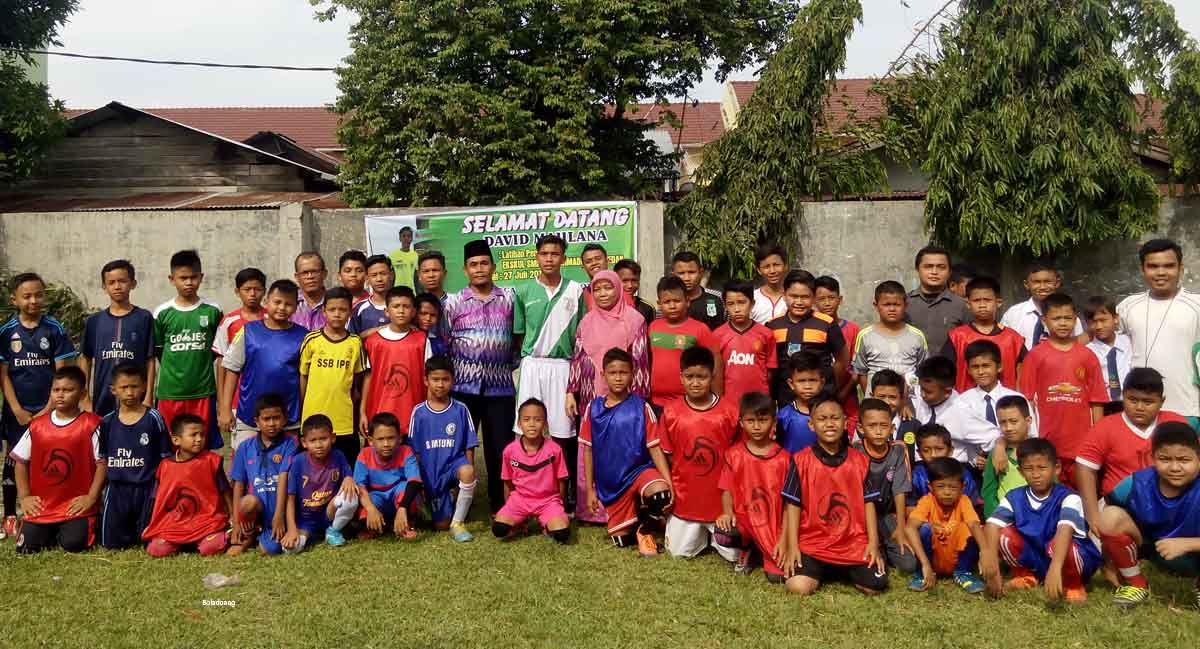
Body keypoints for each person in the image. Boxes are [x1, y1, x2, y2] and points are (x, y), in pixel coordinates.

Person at [780, 397, 887, 596]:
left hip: (852, 542)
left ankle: (844, 569)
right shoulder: (800, 460)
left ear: (846, 423)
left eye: (835, 418)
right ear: (811, 425)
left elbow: (869, 503)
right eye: (822, 419)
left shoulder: (860, 461)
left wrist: (873, 543)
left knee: (875, 586)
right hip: (814, 542)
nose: (829, 423)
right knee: (798, 587)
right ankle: (823, 569)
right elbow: (792, 505)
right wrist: (792, 546)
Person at [1, 272, 78, 536]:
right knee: (14, 458)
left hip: (49, 409)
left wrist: (49, 408)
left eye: (38, 295)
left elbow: (61, 374)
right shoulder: (7, 332)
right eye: (27, 296)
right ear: (15, 299)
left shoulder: (53, 329)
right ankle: (10, 514)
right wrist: (16, 410)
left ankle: (46, 505)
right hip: (17, 413)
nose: (33, 300)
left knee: (49, 457)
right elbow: (3, 375)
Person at [443, 239, 516, 513]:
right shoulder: (453, 303)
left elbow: (517, 336)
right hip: (463, 388)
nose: (479, 269)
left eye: (484, 263)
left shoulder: (508, 298)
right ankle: (459, 502)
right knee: (460, 448)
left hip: (500, 388)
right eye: (473, 264)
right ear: (465, 270)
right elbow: (445, 340)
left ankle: (500, 503)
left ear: (493, 267)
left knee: (500, 448)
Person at [981, 438, 1103, 603]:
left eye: (1042, 468)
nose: (1036, 474)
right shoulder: (1014, 497)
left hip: (1064, 555)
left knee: (1065, 545)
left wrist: (1055, 567)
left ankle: (1073, 584)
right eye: (1029, 469)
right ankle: (1025, 575)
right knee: (1003, 534)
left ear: (1056, 469)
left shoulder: (1069, 497)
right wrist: (991, 560)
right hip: (1036, 555)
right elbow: (992, 525)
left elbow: (1064, 531)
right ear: (1020, 472)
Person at [513, 234, 585, 503]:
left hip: (562, 366)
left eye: (555, 254)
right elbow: (519, 334)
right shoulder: (522, 291)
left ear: (564, 258)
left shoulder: (576, 290)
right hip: (533, 364)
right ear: (537, 256)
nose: (549, 259)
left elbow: (581, 336)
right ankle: (525, 489)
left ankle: (562, 493)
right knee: (526, 427)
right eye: (544, 254)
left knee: (562, 431)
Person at [580, 348, 673, 557]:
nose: (618, 377)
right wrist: (590, 490)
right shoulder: (592, 409)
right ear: (603, 375)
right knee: (622, 541)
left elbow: (655, 447)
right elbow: (588, 451)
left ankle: (645, 529)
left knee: (661, 493)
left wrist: (669, 482)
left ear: (633, 374)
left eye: (623, 372)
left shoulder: (641, 407)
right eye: (613, 373)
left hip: (639, 472)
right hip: (611, 484)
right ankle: (640, 516)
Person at [652, 347, 739, 561]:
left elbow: (738, 458)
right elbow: (668, 454)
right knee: (677, 554)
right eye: (690, 377)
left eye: (702, 377)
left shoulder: (729, 411)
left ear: (712, 376)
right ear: (681, 377)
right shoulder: (671, 412)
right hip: (686, 502)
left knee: (734, 553)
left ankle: (716, 535)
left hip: (720, 504)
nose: (695, 382)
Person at [1099, 423, 1200, 608]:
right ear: (1152, 458)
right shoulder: (1137, 483)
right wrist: (1108, 561)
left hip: (1194, 555)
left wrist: (1187, 543)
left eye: (1184, 460)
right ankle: (1136, 584)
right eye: (1165, 459)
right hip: (1155, 550)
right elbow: (1102, 516)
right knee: (1109, 516)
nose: (1175, 467)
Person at [1075, 368, 1187, 533]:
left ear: (1162, 401)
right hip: (1121, 506)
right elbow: (1085, 469)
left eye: (1148, 402)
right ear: (1123, 396)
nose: (1139, 407)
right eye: (1132, 400)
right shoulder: (1105, 427)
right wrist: (1093, 516)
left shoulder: (1176, 423)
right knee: (1106, 525)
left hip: (1171, 504)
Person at [11, 367, 103, 553]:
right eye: (56, 390)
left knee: (74, 545)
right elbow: (20, 462)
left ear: (82, 393)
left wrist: (91, 497)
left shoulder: (93, 424)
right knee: (27, 548)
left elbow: (103, 464)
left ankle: (72, 528)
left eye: (68, 390)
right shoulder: (37, 425)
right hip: (44, 506)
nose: (61, 395)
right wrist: (25, 497)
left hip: (75, 506)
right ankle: (45, 530)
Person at [1019, 293, 1107, 487]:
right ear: (1044, 320)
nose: (1063, 323)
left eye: (1067, 318)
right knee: (1050, 495)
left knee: (1082, 497)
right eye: (1056, 318)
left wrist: (1097, 439)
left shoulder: (1087, 356)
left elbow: (1097, 400)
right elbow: (1027, 401)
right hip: (1047, 444)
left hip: (1081, 446)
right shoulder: (1035, 356)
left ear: (1075, 319)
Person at [1118, 239, 1200, 429]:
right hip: (1138, 411)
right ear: (1143, 269)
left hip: (1187, 409)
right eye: (1153, 266)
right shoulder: (1127, 306)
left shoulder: (1197, 305)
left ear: (1181, 268)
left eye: (1169, 266)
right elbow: (1097, 336)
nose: (1161, 273)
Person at [219, 279, 306, 447]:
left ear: (296, 307)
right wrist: (225, 408)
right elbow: (232, 368)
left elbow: (305, 378)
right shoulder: (249, 331)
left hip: (289, 417)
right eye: (277, 302)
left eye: (288, 304)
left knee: (285, 467)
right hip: (249, 414)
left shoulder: (304, 336)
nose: (282, 307)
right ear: (266, 302)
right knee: (245, 464)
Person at [716, 391, 792, 581]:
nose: (756, 427)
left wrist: (785, 536)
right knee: (725, 534)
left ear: (773, 423)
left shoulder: (784, 459)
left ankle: (762, 550)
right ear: (741, 423)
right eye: (750, 421)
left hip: (773, 522)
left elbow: (790, 502)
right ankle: (747, 548)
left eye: (763, 420)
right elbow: (726, 488)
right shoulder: (733, 455)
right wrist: (727, 513)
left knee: (777, 578)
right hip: (745, 517)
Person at [154, 250, 224, 451]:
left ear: (201, 277)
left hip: (202, 392)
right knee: (169, 446)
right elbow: (160, 352)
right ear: (172, 279)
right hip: (170, 392)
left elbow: (216, 351)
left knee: (200, 444)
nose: (188, 282)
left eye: (193, 277)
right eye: (183, 278)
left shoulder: (213, 311)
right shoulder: (161, 313)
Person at [98, 362, 169, 550]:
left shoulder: (154, 418)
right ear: (114, 390)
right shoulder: (107, 422)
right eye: (124, 387)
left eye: (134, 386)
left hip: (146, 489)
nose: (130, 392)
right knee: (110, 544)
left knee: (147, 541)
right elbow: (103, 458)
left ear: (144, 387)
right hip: (117, 490)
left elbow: (165, 458)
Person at [407, 355, 478, 543]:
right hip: (431, 473)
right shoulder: (419, 412)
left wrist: (471, 477)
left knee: (468, 472)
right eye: (435, 379)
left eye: (445, 379)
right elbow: (414, 452)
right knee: (439, 526)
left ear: (452, 381)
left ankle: (458, 522)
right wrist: (418, 481)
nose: (440, 384)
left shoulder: (461, 409)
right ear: (426, 380)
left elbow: (469, 445)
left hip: (454, 466)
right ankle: (442, 502)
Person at [140, 414, 231, 557]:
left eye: (202, 434)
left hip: (206, 522)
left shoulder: (211, 461)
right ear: (176, 440)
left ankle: (211, 539)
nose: (199, 439)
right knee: (157, 550)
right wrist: (149, 524)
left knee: (211, 547)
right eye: (193, 435)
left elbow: (225, 491)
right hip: (174, 524)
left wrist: (233, 519)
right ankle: (181, 543)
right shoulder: (165, 466)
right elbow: (155, 498)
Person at [299, 287, 368, 464]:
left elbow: (360, 380)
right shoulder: (311, 340)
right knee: (313, 468)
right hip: (313, 416)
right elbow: (303, 377)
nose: (337, 314)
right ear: (324, 311)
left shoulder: (355, 343)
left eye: (342, 309)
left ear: (350, 312)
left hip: (343, 421)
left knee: (345, 468)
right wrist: (302, 409)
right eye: (332, 309)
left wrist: (359, 411)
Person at [80, 260, 155, 417]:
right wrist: (85, 397)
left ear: (133, 283)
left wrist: (148, 395)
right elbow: (85, 358)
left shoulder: (144, 318)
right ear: (104, 286)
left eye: (122, 281)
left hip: (135, 398)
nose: (117, 286)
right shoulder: (94, 321)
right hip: (102, 398)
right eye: (111, 282)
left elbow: (150, 360)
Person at [227, 394, 298, 556]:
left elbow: (284, 479)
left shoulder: (291, 444)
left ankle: (264, 536)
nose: (272, 424)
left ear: (285, 419)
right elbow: (238, 484)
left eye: (276, 418)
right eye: (266, 419)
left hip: (278, 510)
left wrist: (279, 516)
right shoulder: (245, 447)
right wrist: (237, 522)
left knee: (270, 550)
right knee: (248, 502)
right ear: (257, 421)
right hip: (256, 507)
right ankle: (247, 535)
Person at [904, 457, 987, 593]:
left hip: (956, 556)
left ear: (962, 487)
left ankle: (963, 572)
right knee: (923, 529)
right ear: (930, 487)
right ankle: (921, 573)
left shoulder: (964, 501)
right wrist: (925, 564)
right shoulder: (927, 501)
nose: (947, 492)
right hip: (933, 559)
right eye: (940, 486)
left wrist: (985, 552)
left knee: (973, 528)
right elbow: (910, 527)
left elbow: (973, 524)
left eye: (953, 487)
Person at [493, 398, 571, 544]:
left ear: (545, 424)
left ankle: (547, 526)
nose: (532, 424)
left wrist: (560, 505)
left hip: (548, 501)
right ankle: (520, 523)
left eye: (538, 419)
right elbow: (507, 482)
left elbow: (561, 480)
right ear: (519, 423)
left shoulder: (555, 449)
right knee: (499, 528)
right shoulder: (510, 451)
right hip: (520, 500)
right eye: (527, 419)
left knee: (562, 534)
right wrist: (508, 505)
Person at [854, 398, 917, 574]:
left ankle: (887, 547)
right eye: (872, 426)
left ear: (892, 428)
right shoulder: (855, 452)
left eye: (884, 425)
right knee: (869, 562)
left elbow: (899, 490)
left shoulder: (898, 450)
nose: (879, 431)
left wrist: (901, 527)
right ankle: (878, 547)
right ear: (861, 428)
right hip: (861, 517)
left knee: (909, 565)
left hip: (885, 514)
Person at [767, 270, 847, 405]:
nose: (799, 302)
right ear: (784, 296)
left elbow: (842, 360)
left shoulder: (826, 323)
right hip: (786, 398)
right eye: (794, 296)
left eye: (805, 297)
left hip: (821, 398)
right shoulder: (773, 325)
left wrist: (830, 388)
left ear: (814, 298)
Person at [360, 286, 433, 435]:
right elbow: (368, 377)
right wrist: (362, 411)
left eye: (406, 306)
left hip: (413, 416)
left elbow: (429, 379)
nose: (401, 311)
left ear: (413, 312)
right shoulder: (373, 341)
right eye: (396, 306)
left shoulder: (422, 340)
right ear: (387, 311)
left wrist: (430, 412)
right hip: (379, 415)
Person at [281, 414, 359, 552]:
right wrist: (292, 529)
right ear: (304, 442)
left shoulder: (338, 456)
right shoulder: (298, 462)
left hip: (328, 513)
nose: (319, 445)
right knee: (290, 549)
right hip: (305, 519)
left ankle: (333, 530)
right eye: (313, 440)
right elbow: (290, 499)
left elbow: (348, 476)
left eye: (323, 439)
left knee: (350, 496)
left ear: (333, 438)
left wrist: (348, 478)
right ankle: (309, 535)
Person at [647, 276, 722, 407]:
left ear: (687, 301)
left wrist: (717, 402)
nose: (672, 306)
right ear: (659, 304)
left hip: (689, 403)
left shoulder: (700, 329)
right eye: (667, 302)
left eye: (677, 301)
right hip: (656, 402)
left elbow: (716, 364)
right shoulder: (652, 327)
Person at [943, 276, 1026, 393]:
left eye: (987, 300)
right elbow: (944, 372)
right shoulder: (957, 336)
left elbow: (1024, 375)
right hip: (965, 404)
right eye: (977, 300)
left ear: (998, 302)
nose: (982, 305)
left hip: (1005, 405)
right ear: (968, 303)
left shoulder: (1013, 339)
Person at [957, 340, 1027, 471]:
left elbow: (1030, 434)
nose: (981, 371)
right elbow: (962, 439)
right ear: (968, 370)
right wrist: (974, 459)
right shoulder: (962, 402)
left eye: (986, 365)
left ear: (999, 367)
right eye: (975, 367)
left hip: (1016, 465)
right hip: (977, 469)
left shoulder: (1016, 399)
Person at [355, 412, 423, 540]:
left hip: (398, 497)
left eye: (391, 438)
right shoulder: (364, 455)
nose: (386, 444)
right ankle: (374, 526)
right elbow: (360, 487)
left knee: (405, 488)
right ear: (370, 441)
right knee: (366, 504)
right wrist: (370, 509)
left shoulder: (406, 451)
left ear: (400, 438)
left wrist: (403, 508)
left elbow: (415, 482)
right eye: (380, 439)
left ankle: (407, 525)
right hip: (377, 496)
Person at [852, 280, 928, 394]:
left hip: (909, 403)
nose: (892, 309)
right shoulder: (866, 335)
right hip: (876, 404)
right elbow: (861, 372)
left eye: (897, 304)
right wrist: (870, 398)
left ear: (905, 305)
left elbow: (922, 370)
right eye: (887, 304)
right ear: (876, 306)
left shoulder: (917, 336)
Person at [213, 267, 265, 430]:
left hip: (266, 394)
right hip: (237, 397)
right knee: (242, 447)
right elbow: (222, 362)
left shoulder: (272, 318)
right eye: (247, 289)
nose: (252, 294)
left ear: (264, 291)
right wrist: (223, 405)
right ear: (237, 291)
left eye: (257, 289)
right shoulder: (229, 321)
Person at [912, 356, 986, 465]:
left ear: (947, 392)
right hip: (920, 469)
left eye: (928, 392)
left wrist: (995, 452)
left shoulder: (962, 413)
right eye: (921, 389)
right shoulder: (922, 397)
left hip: (952, 472)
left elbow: (993, 437)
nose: (922, 395)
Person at [715, 280, 777, 407]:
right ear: (725, 306)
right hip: (729, 403)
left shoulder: (766, 334)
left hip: (759, 403)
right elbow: (715, 373)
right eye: (731, 304)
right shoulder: (717, 335)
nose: (737, 309)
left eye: (742, 302)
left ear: (752, 303)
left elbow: (770, 371)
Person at [1000, 261, 1086, 351]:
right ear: (1026, 284)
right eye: (1036, 282)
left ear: (1057, 283)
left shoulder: (1069, 318)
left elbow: (1078, 348)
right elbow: (1003, 345)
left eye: (1047, 281)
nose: (1042, 287)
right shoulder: (1013, 314)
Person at [905, 246, 971, 357]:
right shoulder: (904, 304)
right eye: (928, 267)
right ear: (917, 269)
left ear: (949, 271)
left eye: (941, 267)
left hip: (950, 372)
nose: (934, 272)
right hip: (912, 372)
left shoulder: (962, 306)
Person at [815, 275, 861, 419]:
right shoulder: (811, 328)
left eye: (832, 298)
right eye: (822, 299)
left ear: (840, 300)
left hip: (847, 396)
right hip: (817, 397)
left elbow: (856, 370)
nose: (827, 303)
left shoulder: (853, 329)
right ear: (814, 301)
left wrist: (842, 394)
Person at [981, 395, 1033, 517]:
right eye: (1002, 422)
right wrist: (996, 520)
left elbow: (1053, 487)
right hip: (1004, 520)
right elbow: (989, 492)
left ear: (1028, 421)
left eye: (1014, 422)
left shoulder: (1040, 450)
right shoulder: (996, 454)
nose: (1008, 428)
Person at [908, 424, 979, 506]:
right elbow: (910, 507)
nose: (933, 455)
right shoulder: (916, 476)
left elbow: (972, 506)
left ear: (950, 451)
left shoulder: (963, 474)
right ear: (919, 453)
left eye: (939, 449)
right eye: (926, 450)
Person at [1083, 296, 1131, 416]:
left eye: (1103, 320)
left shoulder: (1129, 342)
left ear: (1115, 319)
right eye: (1093, 322)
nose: (1099, 326)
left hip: (1129, 405)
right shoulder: (1087, 352)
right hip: (1102, 407)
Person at [871, 369, 920, 465]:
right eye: (881, 396)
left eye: (892, 397)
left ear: (901, 399)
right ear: (872, 397)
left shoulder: (913, 426)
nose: (887, 402)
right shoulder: (864, 426)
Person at [776, 353, 822, 453]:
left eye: (813, 380)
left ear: (822, 383)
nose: (808, 386)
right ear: (791, 384)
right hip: (793, 467)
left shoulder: (830, 414)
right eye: (801, 381)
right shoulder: (783, 416)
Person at [672, 251, 725, 330]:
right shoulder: (668, 302)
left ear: (701, 272)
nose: (687, 278)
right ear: (673, 275)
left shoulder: (718, 298)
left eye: (691, 272)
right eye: (681, 273)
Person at [350, 254, 395, 337]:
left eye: (383, 274)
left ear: (391, 275)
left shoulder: (404, 305)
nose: (379, 279)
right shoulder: (358, 309)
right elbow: (353, 339)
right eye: (374, 275)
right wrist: (389, 327)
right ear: (367, 278)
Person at [751, 243, 789, 324]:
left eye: (776, 265)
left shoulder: (795, 297)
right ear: (758, 270)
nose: (772, 271)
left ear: (785, 266)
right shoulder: (752, 298)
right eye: (766, 267)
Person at [291, 251, 328, 331]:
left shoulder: (334, 302)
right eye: (305, 273)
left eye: (314, 272)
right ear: (297, 277)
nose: (310, 276)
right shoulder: (289, 303)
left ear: (324, 274)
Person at [613, 258, 656, 325]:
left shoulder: (647, 308)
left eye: (634, 280)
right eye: (625, 281)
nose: (630, 285)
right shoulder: (609, 306)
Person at [414, 293, 449, 357]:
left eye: (433, 315)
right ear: (414, 313)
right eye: (423, 313)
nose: (428, 318)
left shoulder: (438, 343)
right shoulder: (405, 337)